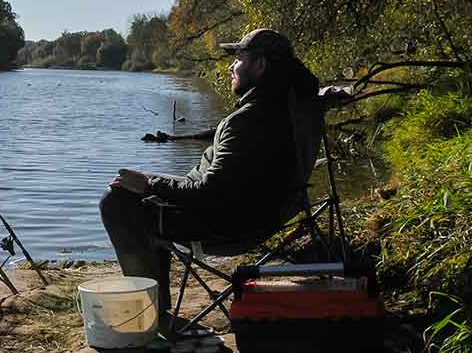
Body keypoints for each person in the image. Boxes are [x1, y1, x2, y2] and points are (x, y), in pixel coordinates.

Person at [99, 29, 322, 312]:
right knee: (136, 185)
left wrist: (149, 184)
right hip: (265, 213)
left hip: (230, 224)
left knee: (116, 201)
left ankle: (150, 310)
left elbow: (211, 191)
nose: (231, 66)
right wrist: (152, 182)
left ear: (260, 65)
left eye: (239, 58)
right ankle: (155, 301)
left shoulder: (250, 120)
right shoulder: (297, 107)